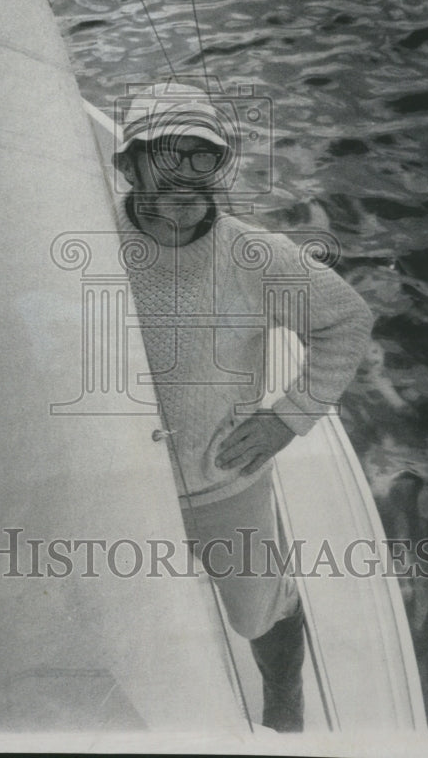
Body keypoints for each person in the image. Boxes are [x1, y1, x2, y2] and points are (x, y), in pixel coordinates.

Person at [112, 84, 374, 732]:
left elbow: (348, 320)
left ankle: (285, 716)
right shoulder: (82, 241)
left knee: (260, 613)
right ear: (128, 164)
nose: (188, 177)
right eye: (169, 158)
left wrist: (287, 417)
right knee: (126, 618)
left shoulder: (255, 256)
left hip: (226, 485)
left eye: (204, 160)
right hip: (119, 489)